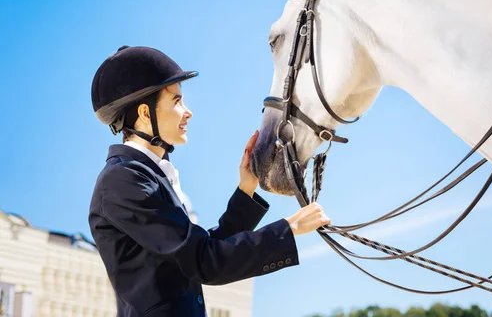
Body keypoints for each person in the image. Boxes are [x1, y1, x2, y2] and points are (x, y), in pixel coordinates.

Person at [88, 45, 330, 316]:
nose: (187, 112)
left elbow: (200, 251)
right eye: (176, 101)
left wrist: (245, 191)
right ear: (145, 114)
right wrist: (288, 228)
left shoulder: (146, 174)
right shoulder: (123, 180)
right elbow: (206, 262)